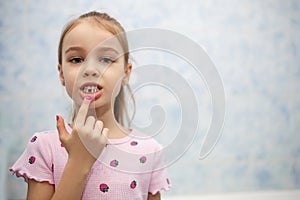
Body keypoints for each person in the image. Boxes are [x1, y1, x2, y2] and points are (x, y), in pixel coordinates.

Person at [10, 11, 171, 200]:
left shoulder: (149, 151)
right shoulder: (44, 147)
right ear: (62, 74)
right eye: (77, 60)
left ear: (126, 73)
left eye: (106, 59)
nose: (90, 70)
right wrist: (79, 162)